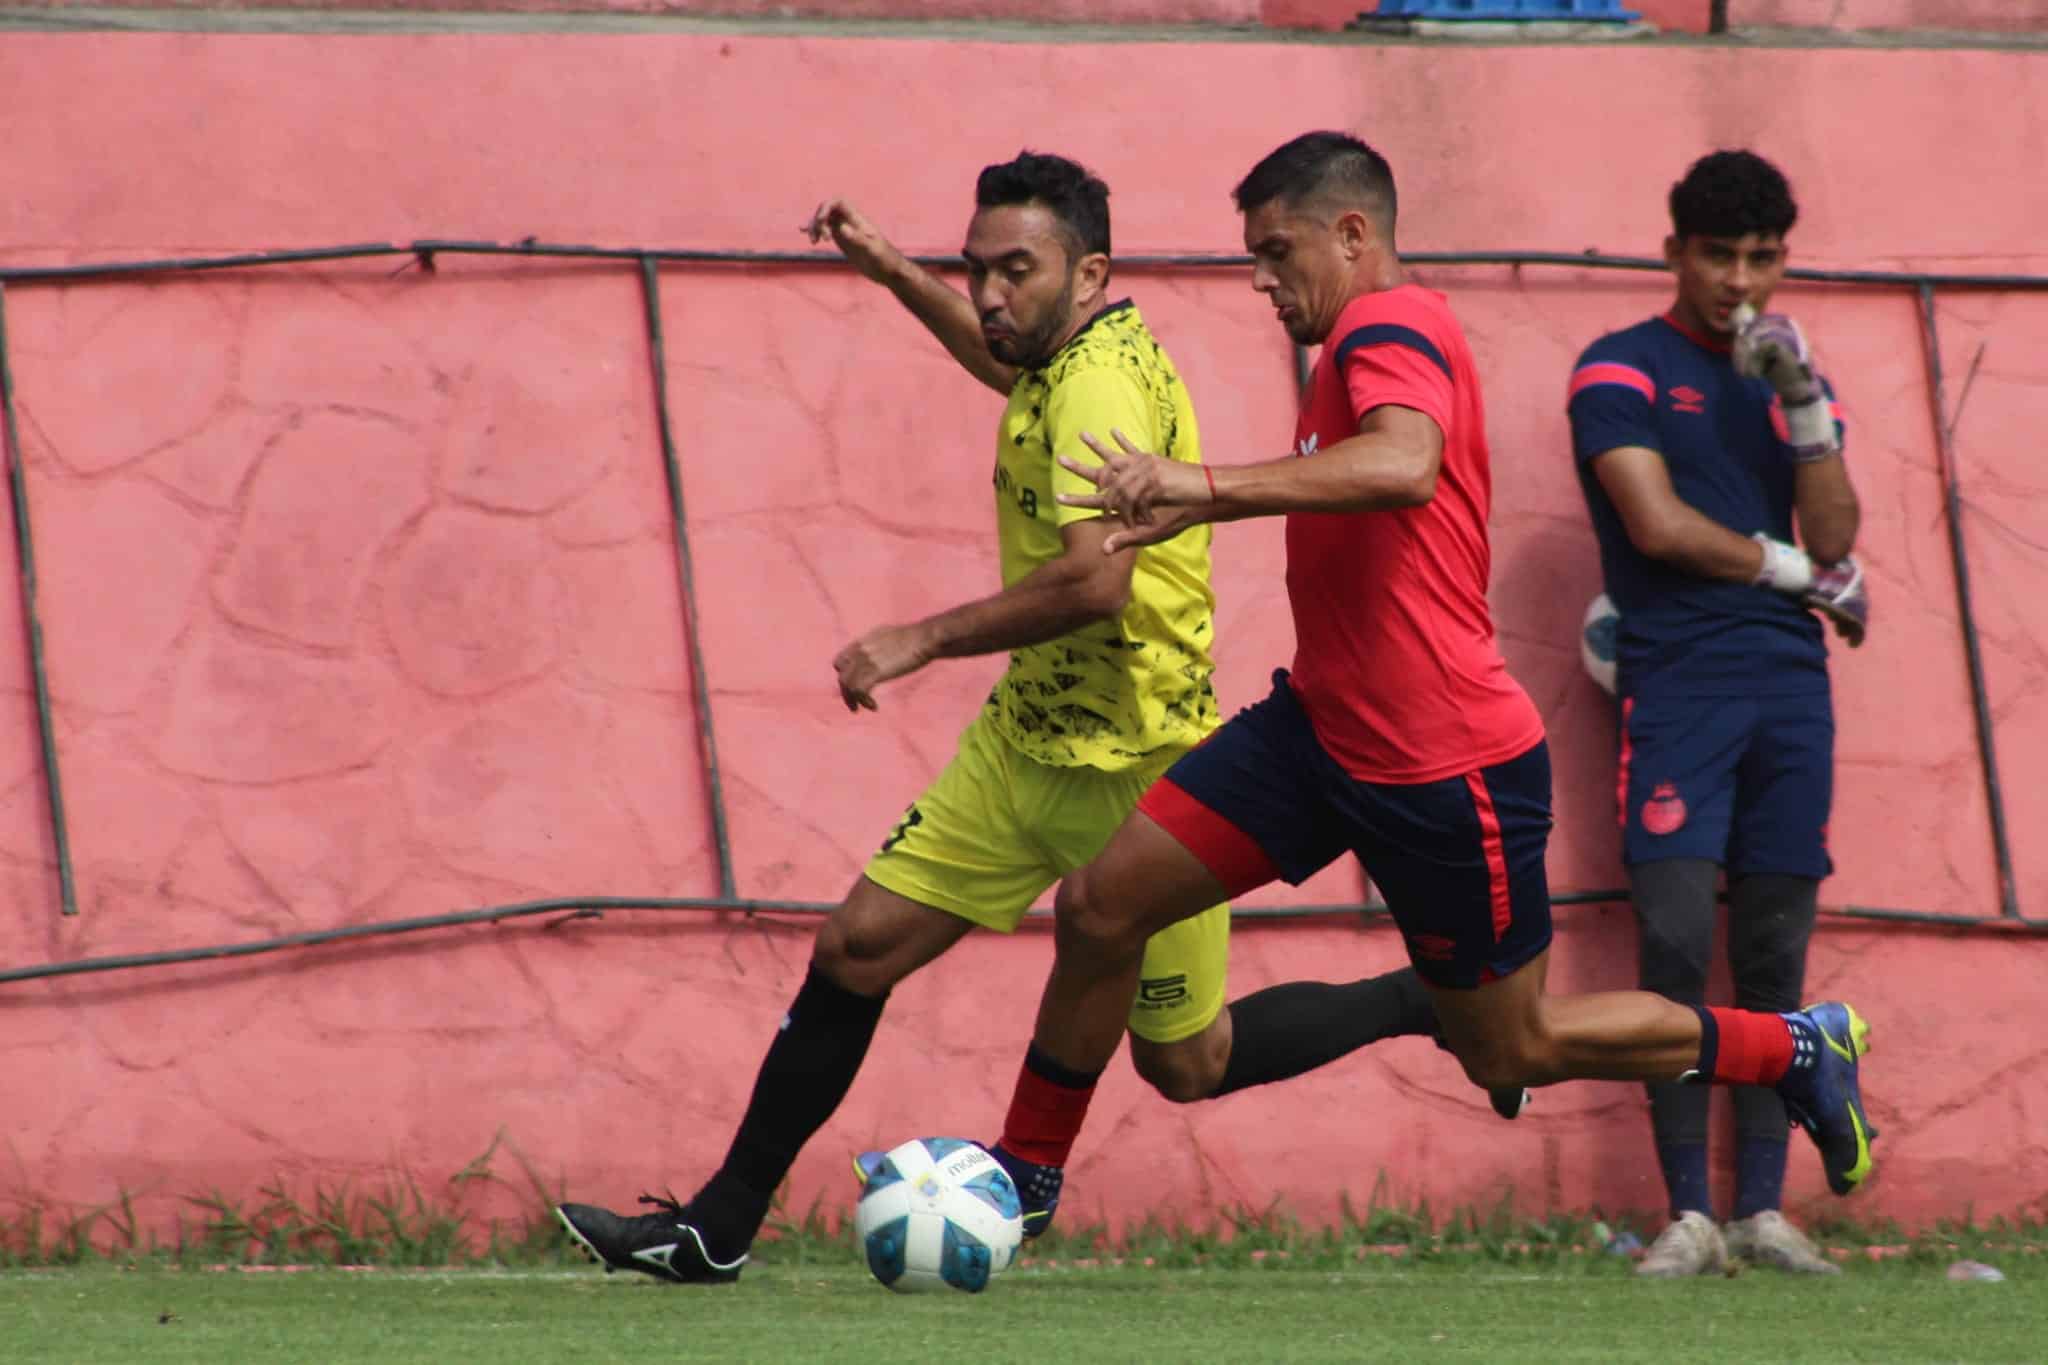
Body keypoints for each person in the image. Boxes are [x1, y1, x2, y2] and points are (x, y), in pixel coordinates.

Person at [554, 150, 1453, 1284]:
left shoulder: (1097, 382)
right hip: (1024, 747)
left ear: (1089, 276)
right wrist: (890, 271)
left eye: (1012, 272)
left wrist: (916, 637)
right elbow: (1000, 366)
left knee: (1186, 1062)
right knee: (856, 950)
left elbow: (1094, 583)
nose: (987, 296)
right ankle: (717, 1225)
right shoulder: (1057, 354)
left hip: (1147, 771)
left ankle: (1415, 1001)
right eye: (975, 270)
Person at [975, 131, 1877, 1239]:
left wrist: (1200, 488)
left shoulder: (1388, 320)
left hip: (1443, 766)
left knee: (1516, 1046)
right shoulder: (1347, 343)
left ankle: (1790, 1046)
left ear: (1350, 235)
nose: (1260, 279)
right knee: (1100, 906)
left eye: (1274, 250)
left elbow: (1402, 464)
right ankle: (1018, 1181)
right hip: (1314, 731)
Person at [1568, 149, 1868, 1277]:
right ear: (1673, 253)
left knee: (1775, 948)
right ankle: (1684, 1213)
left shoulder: (1793, 375)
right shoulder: (1618, 368)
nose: (1738, 281)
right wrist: (1798, 575)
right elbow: (1653, 527)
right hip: (1676, 680)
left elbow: (1837, 535)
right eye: (1716, 256)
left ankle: (1760, 1212)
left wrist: (1800, 408)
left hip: (1789, 686)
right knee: (1677, 938)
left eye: (1759, 258)